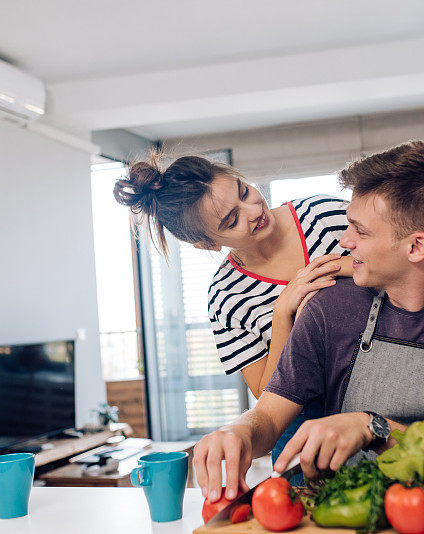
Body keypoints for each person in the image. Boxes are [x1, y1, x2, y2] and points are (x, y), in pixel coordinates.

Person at [192, 140, 424, 504]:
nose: (343, 242)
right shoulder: (326, 308)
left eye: (360, 230)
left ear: (416, 247)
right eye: (348, 226)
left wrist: (372, 427)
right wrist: (236, 432)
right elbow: (267, 415)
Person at [113, 153, 354, 481]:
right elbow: (269, 398)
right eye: (231, 221)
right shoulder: (226, 297)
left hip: (376, 402)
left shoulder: (322, 216)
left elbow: (422, 262)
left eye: (244, 192)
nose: (255, 211)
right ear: (208, 244)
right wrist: (284, 311)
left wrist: (339, 266)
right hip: (303, 437)